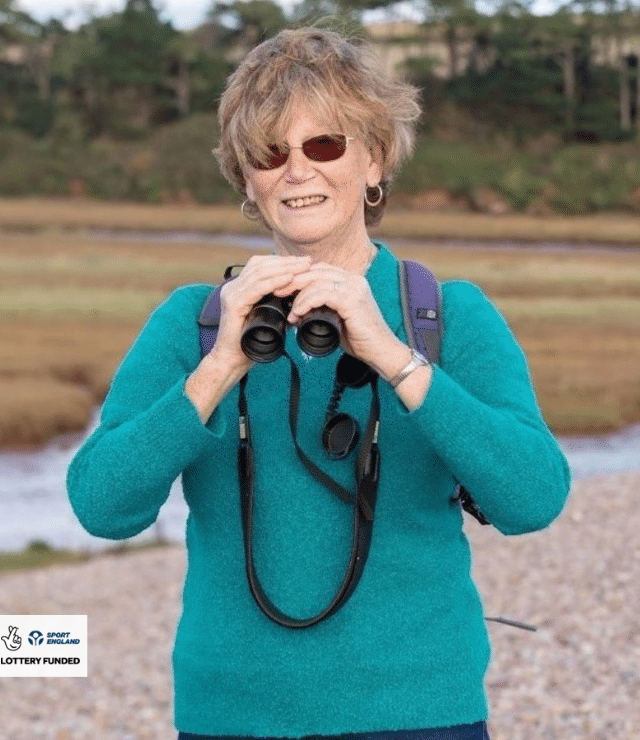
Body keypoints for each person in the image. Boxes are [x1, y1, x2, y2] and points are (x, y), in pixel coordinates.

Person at [65, 27, 570, 740]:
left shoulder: (444, 316)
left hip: (418, 710)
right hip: (230, 716)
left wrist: (394, 358)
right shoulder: (195, 323)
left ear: (375, 161)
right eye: (269, 154)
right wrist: (219, 368)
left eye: (324, 145)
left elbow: (532, 498)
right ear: (247, 181)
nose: (296, 171)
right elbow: (101, 506)